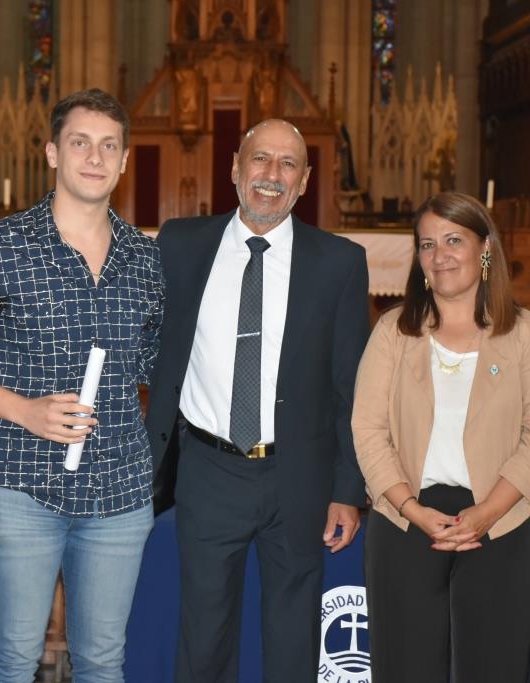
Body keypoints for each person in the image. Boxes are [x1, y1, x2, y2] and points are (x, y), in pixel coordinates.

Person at [0, 88, 164, 682]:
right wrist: (23, 410)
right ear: (53, 152)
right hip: (20, 481)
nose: (95, 156)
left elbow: (160, 363)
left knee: (103, 661)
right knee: (13, 657)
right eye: (80, 142)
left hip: (119, 490)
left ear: (125, 160)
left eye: (110, 146)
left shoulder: (146, 259)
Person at [145, 118, 371, 681]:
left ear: (304, 180)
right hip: (207, 468)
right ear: (235, 169)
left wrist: (348, 489)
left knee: (294, 632)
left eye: (287, 164)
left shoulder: (338, 262)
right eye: (260, 160)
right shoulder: (179, 243)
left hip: (300, 473)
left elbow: (352, 386)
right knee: (203, 632)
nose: (271, 175)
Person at [352, 191, 530, 682]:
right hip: (406, 520)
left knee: (493, 666)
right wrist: (410, 508)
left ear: (484, 247)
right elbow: (367, 429)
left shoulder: (526, 333)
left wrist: (485, 516)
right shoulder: (392, 332)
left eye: (453, 240)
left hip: (501, 520)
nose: (439, 255)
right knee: (405, 667)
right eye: (427, 244)